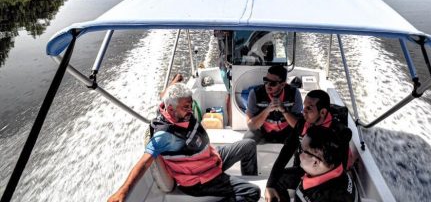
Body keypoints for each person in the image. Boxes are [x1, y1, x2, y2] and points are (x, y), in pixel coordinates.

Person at [108, 83, 260, 202]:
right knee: (253, 192)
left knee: (248, 144)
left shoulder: (175, 110)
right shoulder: (164, 135)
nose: (191, 110)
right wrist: (123, 190)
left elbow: (165, 96)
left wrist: (174, 83)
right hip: (200, 180)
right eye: (186, 107)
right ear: (171, 110)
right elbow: (144, 162)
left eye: (191, 105)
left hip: (211, 159)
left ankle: (250, 176)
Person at [265, 90, 352, 202]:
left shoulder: (340, 132)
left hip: (323, 176)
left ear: (323, 112)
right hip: (303, 166)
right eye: (304, 106)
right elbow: (286, 152)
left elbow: (340, 167)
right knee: (276, 181)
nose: (303, 112)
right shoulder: (302, 123)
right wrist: (269, 184)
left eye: (309, 108)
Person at [294, 125, 357, 202]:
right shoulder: (335, 168)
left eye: (301, 150)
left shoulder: (328, 197)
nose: (298, 153)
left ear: (315, 162)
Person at [244, 65, 303, 144]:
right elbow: (251, 126)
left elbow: (298, 126)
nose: (267, 85)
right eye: (265, 81)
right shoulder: (255, 93)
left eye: (273, 83)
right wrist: (267, 110)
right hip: (263, 131)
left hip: (287, 131)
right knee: (247, 141)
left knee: (303, 140)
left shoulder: (294, 93)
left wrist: (284, 110)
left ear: (282, 85)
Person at [214, 30, 233, 125]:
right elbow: (217, 33)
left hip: (246, 61)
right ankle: (231, 121)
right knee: (230, 93)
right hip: (226, 65)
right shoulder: (223, 19)